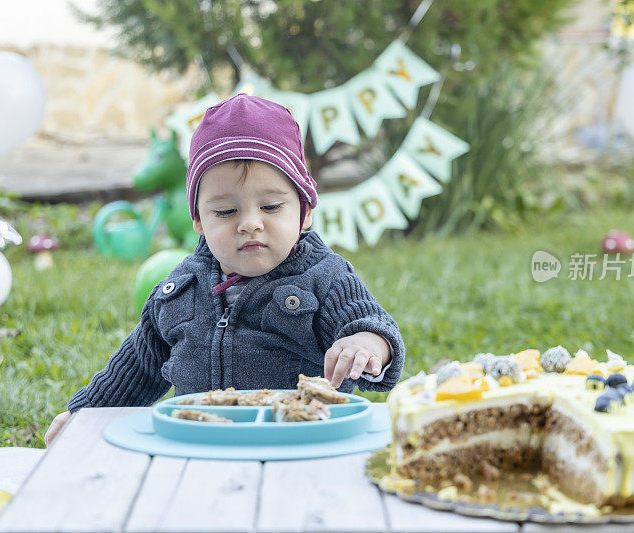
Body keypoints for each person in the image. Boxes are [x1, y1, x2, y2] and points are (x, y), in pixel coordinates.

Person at [44, 94, 405, 446]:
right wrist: (85, 415)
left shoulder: (325, 278)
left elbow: (372, 323)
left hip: (298, 447)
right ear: (199, 219)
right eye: (226, 212)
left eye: (270, 206)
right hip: (200, 448)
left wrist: (365, 345)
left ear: (305, 211)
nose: (249, 223)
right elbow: (135, 367)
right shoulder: (180, 288)